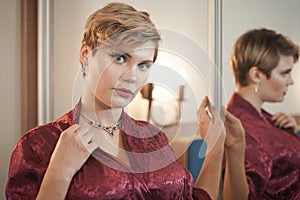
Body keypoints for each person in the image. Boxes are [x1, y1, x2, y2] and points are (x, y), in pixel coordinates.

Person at [6, 3, 247, 200]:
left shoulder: (154, 139)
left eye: (143, 65)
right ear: (85, 54)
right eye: (120, 57)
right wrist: (59, 174)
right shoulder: (39, 146)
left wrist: (216, 146)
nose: (132, 76)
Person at [226, 28, 300, 200]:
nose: (291, 81)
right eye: (285, 73)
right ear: (256, 75)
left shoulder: (265, 120)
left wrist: (291, 133)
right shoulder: (240, 128)